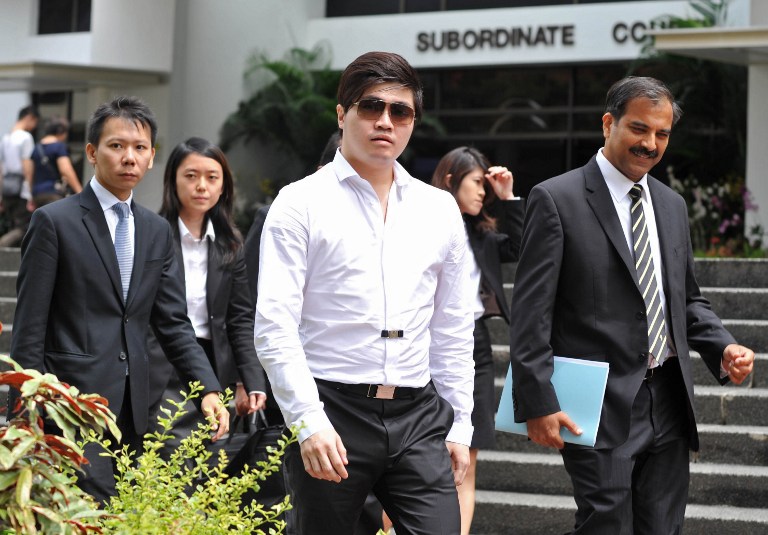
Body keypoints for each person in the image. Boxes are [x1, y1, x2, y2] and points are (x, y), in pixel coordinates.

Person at [507, 76, 755, 534]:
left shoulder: (672, 205)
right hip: (595, 401)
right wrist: (537, 400)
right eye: (639, 129)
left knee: (662, 527)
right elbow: (530, 312)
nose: (651, 144)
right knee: (607, 525)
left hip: (669, 400)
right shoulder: (556, 199)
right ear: (609, 123)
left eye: (662, 134)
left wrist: (721, 347)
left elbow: (684, 299)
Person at [253, 51, 476, 535]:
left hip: (418, 414)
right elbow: (274, 326)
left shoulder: (438, 209)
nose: (385, 121)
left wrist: (460, 423)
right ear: (342, 114)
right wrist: (308, 422)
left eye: (400, 111)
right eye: (371, 107)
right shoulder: (300, 202)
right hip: (333, 407)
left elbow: (453, 326)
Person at [8, 96, 229, 504]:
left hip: (136, 411)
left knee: (124, 513)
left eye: (140, 148)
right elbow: (30, 326)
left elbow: (173, 323)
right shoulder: (54, 222)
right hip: (69, 406)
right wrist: (25, 415)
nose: (129, 157)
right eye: (117, 146)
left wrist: (209, 389)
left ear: (150, 158)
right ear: (92, 152)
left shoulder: (156, 231)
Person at [148, 136, 267, 453]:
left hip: (215, 364)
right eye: (191, 176)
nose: (202, 186)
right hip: (162, 364)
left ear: (223, 187)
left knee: (211, 457)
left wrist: (251, 379)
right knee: (167, 452)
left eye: (212, 178)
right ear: (173, 181)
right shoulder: (153, 237)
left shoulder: (230, 245)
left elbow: (240, 318)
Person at [430, 146, 524, 535]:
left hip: (476, 344)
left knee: (467, 456)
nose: (482, 191)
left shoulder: (482, 236)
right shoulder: (423, 226)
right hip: (427, 346)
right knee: (422, 454)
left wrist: (509, 198)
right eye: (476, 182)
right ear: (450, 181)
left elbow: (521, 247)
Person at [0, 105, 39, 246]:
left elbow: (1, 167)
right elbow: (27, 165)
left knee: (13, 224)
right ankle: (3, 244)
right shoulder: (26, 137)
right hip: (21, 189)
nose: (34, 126)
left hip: (7, 189)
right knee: (24, 227)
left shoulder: (6, 138)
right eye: (35, 122)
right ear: (29, 118)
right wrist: (30, 192)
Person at [30, 116, 83, 208]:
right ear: (60, 131)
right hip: (53, 193)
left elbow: (29, 173)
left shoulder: (36, 148)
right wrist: (80, 191)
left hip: (37, 194)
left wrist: (31, 193)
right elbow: (66, 170)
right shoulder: (59, 147)